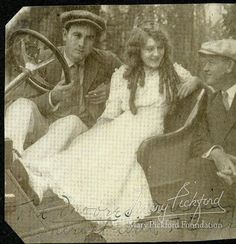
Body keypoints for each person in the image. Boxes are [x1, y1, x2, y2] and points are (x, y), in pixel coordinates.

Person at [18, 23, 201, 225]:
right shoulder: (124, 75)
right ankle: (37, 182)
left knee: (109, 158)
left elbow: (196, 80)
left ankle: (40, 182)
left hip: (148, 129)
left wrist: (195, 82)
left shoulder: (172, 71)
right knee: (86, 150)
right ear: (138, 51)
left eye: (160, 48)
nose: (156, 54)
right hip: (122, 124)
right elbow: (111, 112)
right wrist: (95, 133)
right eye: (149, 49)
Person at [5, 10, 122, 156]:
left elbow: (130, 75)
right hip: (45, 125)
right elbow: (13, 100)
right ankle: (10, 155)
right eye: (77, 35)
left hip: (78, 135)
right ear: (65, 35)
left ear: (94, 41)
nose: (82, 44)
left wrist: (111, 89)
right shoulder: (44, 59)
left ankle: (23, 166)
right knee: (22, 105)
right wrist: (52, 97)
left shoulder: (105, 60)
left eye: (89, 38)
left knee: (71, 121)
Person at [186, 39, 236, 234]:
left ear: (230, 66)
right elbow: (198, 139)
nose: (205, 69)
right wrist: (216, 153)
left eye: (211, 63)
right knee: (195, 166)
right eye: (204, 63)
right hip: (218, 186)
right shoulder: (211, 99)